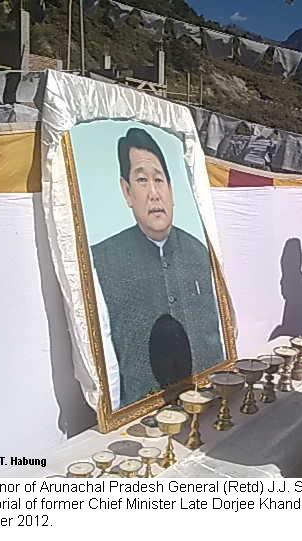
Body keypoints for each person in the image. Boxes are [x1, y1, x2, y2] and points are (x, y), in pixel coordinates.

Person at [92, 127, 224, 408]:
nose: (154, 194)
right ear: (126, 191)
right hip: (140, 411)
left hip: (208, 399)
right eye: (141, 180)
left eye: (159, 180)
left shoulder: (199, 252)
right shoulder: (101, 260)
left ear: (171, 189)